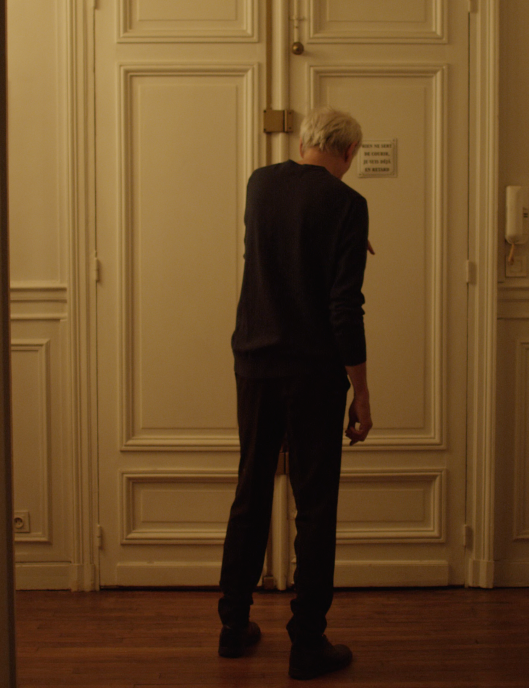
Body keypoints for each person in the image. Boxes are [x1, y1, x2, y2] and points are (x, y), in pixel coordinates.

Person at [216, 105, 374, 681]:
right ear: (349, 152)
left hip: (255, 362)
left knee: (251, 491)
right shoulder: (348, 205)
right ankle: (307, 643)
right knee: (315, 506)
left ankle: (233, 627)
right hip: (313, 374)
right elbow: (343, 308)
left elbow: (273, 258)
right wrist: (361, 392)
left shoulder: (261, 185)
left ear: (304, 140)